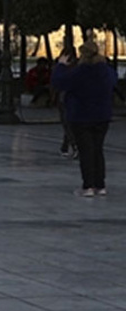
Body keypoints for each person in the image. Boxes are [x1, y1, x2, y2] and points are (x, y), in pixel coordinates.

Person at [54, 42, 116, 196]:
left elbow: (59, 82)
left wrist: (60, 66)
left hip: (81, 116)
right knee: (97, 150)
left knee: (86, 151)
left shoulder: (80, 72)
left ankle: (88, 185)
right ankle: (100, 185)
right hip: (102, 115)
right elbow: (113, 82)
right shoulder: (106, 71)